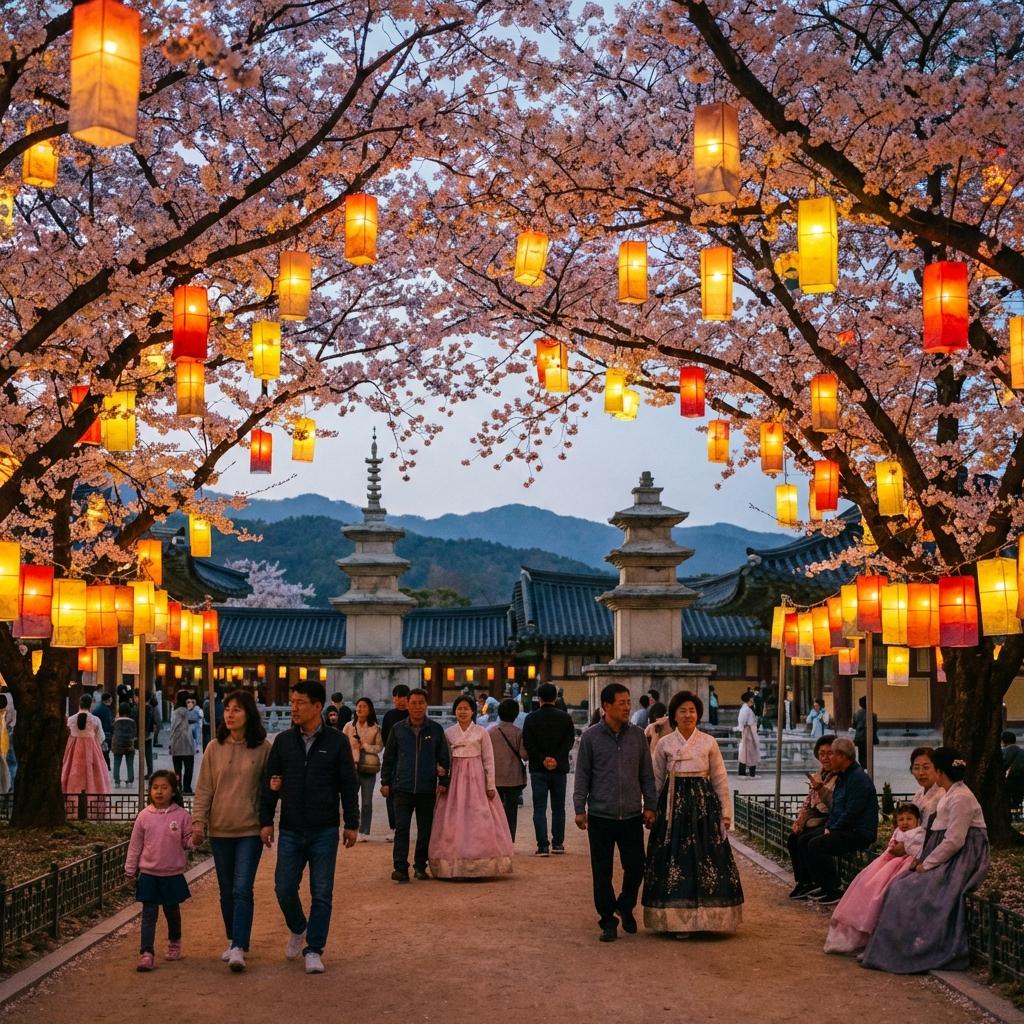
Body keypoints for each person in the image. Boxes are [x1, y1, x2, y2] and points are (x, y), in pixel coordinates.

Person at [259, 679, 360, 975]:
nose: (294, 707)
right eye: (292, 702)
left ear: (318, 706)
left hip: (324, 828)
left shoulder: (337, 742)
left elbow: (348, 785)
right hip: (290, 826)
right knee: (283, 887)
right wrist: (267, 820)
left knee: (322, 892)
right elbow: (271, 783)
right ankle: (298, 927)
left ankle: (314, 948)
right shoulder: (283, 742)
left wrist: (351, 823)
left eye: (300, 702)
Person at [862, 747, 990, 973]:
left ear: (940, 772)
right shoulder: (950, 794)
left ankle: (912, 948)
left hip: (962, 858)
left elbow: (955, 840)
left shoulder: (961, 797)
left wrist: (927, 864)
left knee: (910, 890)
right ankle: (893, 948)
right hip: (943, 853)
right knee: (900, 886)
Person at [642, 690, 743, 934]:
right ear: (674, 716)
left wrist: (725, 813)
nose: (688, 715)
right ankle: (676, 920)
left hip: (703, 808)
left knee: (707, 858)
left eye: (692, 711)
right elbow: (655, 780)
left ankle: (709, 920)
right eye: (683, 711)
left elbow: (719, 779)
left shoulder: (708, 742)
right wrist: (651, 809)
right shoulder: (665, 744)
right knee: (676, 860)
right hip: (672, 808)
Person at [192, 690, 271, 973]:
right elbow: (204, 789)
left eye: (237, 709)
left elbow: (269, 792)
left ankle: (239, 945)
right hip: (220, 828)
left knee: (242, 888)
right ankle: (233, 938)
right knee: (226, 890)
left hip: (249, 829)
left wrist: (268, 822)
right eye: (227, 709)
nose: (230, 714)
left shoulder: (263, 748)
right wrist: (198, 822)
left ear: (249, 713)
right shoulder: (214, 747)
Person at [573, 683, 656, 943]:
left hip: (631, 814)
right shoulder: (590, 737)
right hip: (600, 814)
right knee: (602, 871)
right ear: (606, 706)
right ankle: (607, 919)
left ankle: (625, 904)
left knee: (636, 867)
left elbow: (646, 774)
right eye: (621, 702)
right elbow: (582, 775)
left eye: (628, 702)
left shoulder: (638, 736)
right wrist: (579, 808)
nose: (627, 707)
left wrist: (650, 805)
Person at [429, 695, 514, 878]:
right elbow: (443, 758)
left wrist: (490, 784)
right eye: (459, 708)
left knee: (478, 818)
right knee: (454, 818)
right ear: (454, 711)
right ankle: (452, 863)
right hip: (455, 780)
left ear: (473, 711)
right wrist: (441, 776)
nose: (462, 711)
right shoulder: (448, 733)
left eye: (466, 708)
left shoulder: (482, 733)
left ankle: (481, 861)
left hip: (476, 778)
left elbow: (489, 760)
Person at [824, 803, 925, 955]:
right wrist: (893, 845)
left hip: (905, 862)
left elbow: (918, 849)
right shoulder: (899, 831)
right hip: (889, 860)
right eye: (901, 819)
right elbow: (892, 845)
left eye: (909, 819)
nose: (904, 822)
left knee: (884, 888)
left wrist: (905, 848)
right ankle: (855, 928)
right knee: (866, 883)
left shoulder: (919, 833)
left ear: (917, 820)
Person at [125, 770, 193, 972]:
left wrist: (196, 839)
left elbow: (187, 841)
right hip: (149, 874)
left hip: (172, 874)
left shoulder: (181, 816)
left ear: (173, 791)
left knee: (172, 912)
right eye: (155, 788)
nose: (159, 792)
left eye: (164, 788)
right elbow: (135, 845)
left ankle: (174, 941)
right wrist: (130, 869)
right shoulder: (144, 816)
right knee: (148, 914)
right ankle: (146, 953)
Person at [380, 687, 450, 882]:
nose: (417, 707)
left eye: (421, 703)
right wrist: (385, 781)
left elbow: (444, 758)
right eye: (414, 703)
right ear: (408, 705)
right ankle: (400, 868)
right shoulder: (398, 729)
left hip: (427, 788)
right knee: (401, 829)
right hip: (402, 787)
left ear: (426, 705)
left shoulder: (435, 729)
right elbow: (389, 757)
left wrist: (444, 781)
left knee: (425, 830)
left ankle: (420, 866)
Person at [804, 737, 878, 905]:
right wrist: (830, 826)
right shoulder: (844, 776)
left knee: (816, 845)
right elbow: (838, 807)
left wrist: (833, 829)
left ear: (843, 756)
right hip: (846, 828)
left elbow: (852, 812)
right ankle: (823, 885)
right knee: (806, 839)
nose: (829, 759)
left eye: (833, 755)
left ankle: (833, 889)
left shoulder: (858, 778)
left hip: (859, 832)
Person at [522, 681, 576, 856]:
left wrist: (542, 759)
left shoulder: (531, 718)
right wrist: (556, 759)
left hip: (538, 768)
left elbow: (529, 743)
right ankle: (558, 843)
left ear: (539, 698)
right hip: (559, 768)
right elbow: (568, 742)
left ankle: (542, 845)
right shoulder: (565, 718)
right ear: (555, 697)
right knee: (558, 807)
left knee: (539, 808)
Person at [787, 734, 837, 899]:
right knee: (793, 838)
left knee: (806, 840)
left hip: (830, 819)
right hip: (814, 817)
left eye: (830, 753)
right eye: (822, 754)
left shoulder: (839, 776)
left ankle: (818, 882)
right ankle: (803, 881)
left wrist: (821, 790)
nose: (825, 757)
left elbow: (834, 805)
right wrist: (801, 818)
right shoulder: (818, 774)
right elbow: (808, 801)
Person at [343, 698, 383, 841]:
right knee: (351, 800)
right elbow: (342, 745)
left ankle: (365, 830)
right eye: (358, 706)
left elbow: (379, 747)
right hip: (351, 766)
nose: (360, 709)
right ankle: (351, 827)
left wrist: (366, 746)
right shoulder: (348, 726)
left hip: (367, 767)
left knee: (366, 802)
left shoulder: (376, 728)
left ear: (369, 709)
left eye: (364, 706)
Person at [488, 697, 528, 841]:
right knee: (511, 812)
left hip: (495, 778)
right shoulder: (519, 732)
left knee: (495, 811)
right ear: (516, 714)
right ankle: (509, 839)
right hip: (514, 778)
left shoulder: (490, 732)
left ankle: (496, 839)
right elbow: (524, 755)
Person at [61, 694, 111, 805]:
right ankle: (92, 805)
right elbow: (101, 738)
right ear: (91, 704)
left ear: (80, 704)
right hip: (91, 752)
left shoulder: (71, 719)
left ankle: (72, 805)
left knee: (73, 777)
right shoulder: (95, 720)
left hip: (74, 753)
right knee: (93, 778)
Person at [380, 684, 411, 842]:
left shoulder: (413, 714)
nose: (399, 701)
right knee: (390, 794)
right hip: (393, 758)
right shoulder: (389, 716)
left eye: (403, 698)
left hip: (410, 759)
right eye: (397, 698)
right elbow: (385, 738)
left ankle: (404, 827)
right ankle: (393, 828)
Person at [168, 693, 196, 794]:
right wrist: (192, 706)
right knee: (189, 768)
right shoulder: (185, 712)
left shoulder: (175, 712)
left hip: (176, 744)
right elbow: (196, 718)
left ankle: (178, 786)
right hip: (186, 744)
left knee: (177, 769)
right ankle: (187, 788)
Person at [909, 746, 942, 825]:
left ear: (937, 768)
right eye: (916, 768)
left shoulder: (942, 794)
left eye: (926, 767)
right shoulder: (918, 794)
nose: (921, 773)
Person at [111, 701, 136, 788]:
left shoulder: (115, 721)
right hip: (129, 745)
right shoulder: (132, 722)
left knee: (116, 763)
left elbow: (112, 731)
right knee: (130, 764)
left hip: (117, 745)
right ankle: (130, 781)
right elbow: (134, 733)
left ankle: (117, 781)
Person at [737, 690, 760, 777]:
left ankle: (752, 773)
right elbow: (741, 721)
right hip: (747, 731)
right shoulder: (745, 709)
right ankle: (742, 772)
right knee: (745, 752)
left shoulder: (750, 707)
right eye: (752, 697)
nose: (753, 699)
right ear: (749, 699)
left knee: (752, 752)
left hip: (751, 731)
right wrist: (742, 730)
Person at [852, 695, 879, 769]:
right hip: (869, 737)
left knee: (861, 753)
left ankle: (862, 766)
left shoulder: (856, 714)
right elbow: (875, 727)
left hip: (859, 737)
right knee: (869, 753)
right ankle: (868, 766)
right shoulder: (873, 715)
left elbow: (854, 726)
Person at [1002, 732, 1024, 821]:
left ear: (1003, 741)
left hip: (1007, 783)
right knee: (1018, 802)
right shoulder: (1022, 752)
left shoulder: (1003, 752)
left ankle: (1008, 818)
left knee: (1007, 802)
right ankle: (1018, 817)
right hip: (1020, 783)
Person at [94, 692, 114, 769]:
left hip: (99, 732)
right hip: (105, 733)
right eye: (110, 698)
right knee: (105, 751)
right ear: (107, 700)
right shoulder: (105, 710)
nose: (112, 700)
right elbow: (108, 723)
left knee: (102, 751)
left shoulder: (98, 707)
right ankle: (106, 766)